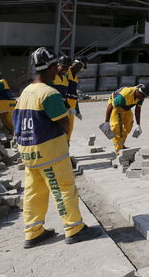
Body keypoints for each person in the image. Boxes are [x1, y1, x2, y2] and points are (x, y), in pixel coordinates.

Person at [14, 47, 101, 248]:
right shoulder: (49, 93)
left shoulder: (25, 91)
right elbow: (64, 124)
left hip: (28, 151)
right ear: (52, 67)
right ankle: (74, 228)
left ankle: (33, 232)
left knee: (34, 191)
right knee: (62, 188)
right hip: (49, 151)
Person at [100, 83, 149, 153]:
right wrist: (106, 122)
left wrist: (138, 125)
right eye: (143, 95)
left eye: (145, 96)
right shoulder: (124, 95)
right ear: (138, 91)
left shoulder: (141, 96)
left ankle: (121, 144)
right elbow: (110, 106)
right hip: (116, 107)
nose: (143, 98)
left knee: (128, 126)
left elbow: (137, 109)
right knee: (117, 129)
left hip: (126, 107)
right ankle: (118, 151)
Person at [54, 56, 85, 142]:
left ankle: (66, 150)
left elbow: (74, 94)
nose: (79, 69)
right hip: (63, 103)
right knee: (62, 128)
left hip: (70, 104)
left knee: (69, 128)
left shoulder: (75, 78)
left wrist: (77, 110)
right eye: (79, 66)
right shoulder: (66, 73)